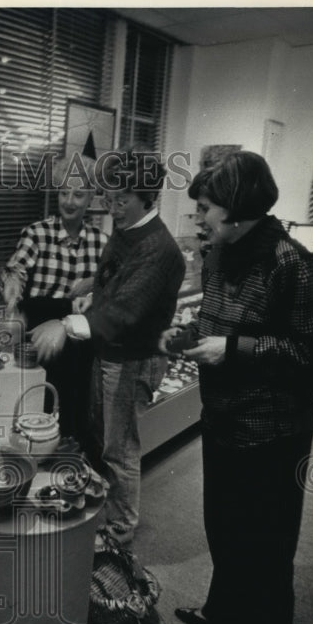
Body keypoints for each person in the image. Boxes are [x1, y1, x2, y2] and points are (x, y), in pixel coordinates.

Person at [165, 151, 313, 624]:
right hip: (223, 420)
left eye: (205, 208)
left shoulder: (294, 265)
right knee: (224, 529)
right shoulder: (222, 253)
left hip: (273, 433)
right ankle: (227, 612)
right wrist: (188, 336)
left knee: (265, 549)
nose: (197, 218)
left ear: (238, 211)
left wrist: (237, 350)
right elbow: (213, 315)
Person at [36, 148, 184, 548]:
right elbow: (114, 275)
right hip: (112, 353)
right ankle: (108, 511)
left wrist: (65, 324)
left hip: (134, 358)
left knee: (120, 448)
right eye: (109, 199)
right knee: (103, 436)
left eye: (122, 201)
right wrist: (92, 288)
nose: (113, 209)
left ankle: (121, 527)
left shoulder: (159, 248)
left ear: (147, 197)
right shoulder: (128, 227)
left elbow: (126, 312)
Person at [0, 155, 107, 444]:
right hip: (39, 339)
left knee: (72, 422)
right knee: (35, 416)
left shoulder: (102, 242)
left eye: (78, 194)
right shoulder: (37, 233)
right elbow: (16, 269)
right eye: (63, 192)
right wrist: (12, 286)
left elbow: (109, 292)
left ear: (91, 198)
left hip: (79, 344)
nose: (69, 201)